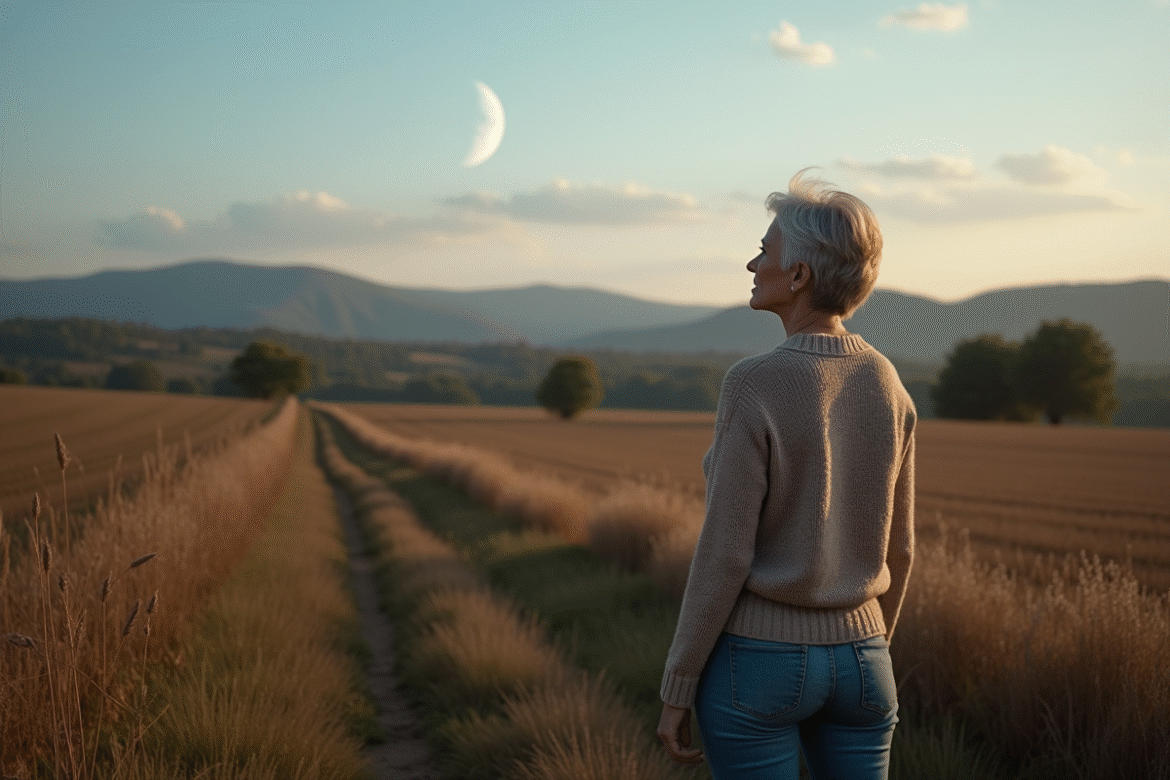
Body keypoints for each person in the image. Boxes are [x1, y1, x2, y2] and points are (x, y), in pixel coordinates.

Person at [656, 170, 916, 779]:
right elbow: (900, 549)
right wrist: (870, 647)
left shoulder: (754, 382)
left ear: (798, 275)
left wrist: (679, 684)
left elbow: (725, 553)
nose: (752, 263)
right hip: (865, 660)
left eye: (766, 250)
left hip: (759, 661)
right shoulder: (888, 383)